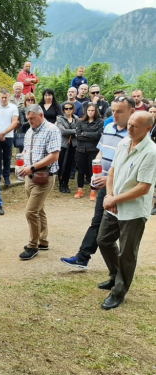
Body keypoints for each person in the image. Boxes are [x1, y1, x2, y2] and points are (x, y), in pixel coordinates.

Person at [61, 96, 135, 269]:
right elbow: (101, 153)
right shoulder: (108, 127)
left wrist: (108, 177)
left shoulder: (133, 135)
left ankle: (119, 271)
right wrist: (96, 173)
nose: (115, 115)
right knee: (97, 222)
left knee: (116, 231)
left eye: (120, 111)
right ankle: (83, 257)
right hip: (104, 185)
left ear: (131, 111)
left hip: (122, 190)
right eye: (113, 111)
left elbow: (130, 168)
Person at [96, 111, 156, 310]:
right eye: (129, 124)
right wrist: (110, 195)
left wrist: (115, 199)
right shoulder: (123, 142)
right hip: (114, 204)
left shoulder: (151, 152)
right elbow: (112, 170)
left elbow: (143, 187)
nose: (129, 128)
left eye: (135, 126)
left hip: (133, 210)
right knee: (103, 240)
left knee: (127, 253)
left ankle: (119, 291)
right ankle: (115, 276)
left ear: (148, 129)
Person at [17, 105, 61, 260]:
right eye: (28, 119)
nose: (29, 121)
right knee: (39, 209)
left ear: (41, 115)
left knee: (31, 211)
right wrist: (22, 162)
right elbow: (27, 151)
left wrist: (32, 167)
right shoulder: (29, 131)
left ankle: (33, 245)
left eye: (32, 118)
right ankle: (43, 241)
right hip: (29, 176)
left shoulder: (52, 130)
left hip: (44, 176)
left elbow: (54, 156)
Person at [74, 103, 103, 200]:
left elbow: (98, 135)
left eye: (92, 110)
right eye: (89, 110)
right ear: (86, 111)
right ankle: (80, 190)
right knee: (81, 170)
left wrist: (84, 133)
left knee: (93, 171)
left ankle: (93, 190)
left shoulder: (100, 122)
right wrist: (91, 135)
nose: (90, 112)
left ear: (96, 111)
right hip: (81, 150)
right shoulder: (80, 121)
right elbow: (78, 136)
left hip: (93, 150)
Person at [0, 89, 19, 186]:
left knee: (7, 157)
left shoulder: (13, 107)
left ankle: (7, 177)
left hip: (9, 135)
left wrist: (4, 133)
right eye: (2, 97)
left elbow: (14, 122)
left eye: (5, 97)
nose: (3, 99)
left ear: (8, 97)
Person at [57, 102, 80, 194]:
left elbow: (79, 130)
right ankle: (61, 184)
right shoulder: (60, 119)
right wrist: (74, 131)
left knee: (69, 165)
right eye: (66, 109)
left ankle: (66, 184)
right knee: (62, 164)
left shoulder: (76, 119)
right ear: (63, 110)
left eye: (70, 108)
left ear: (73, 109)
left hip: (73, 145)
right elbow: (62, 131)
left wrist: (69, 131)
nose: (68, 110)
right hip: (63, 145)